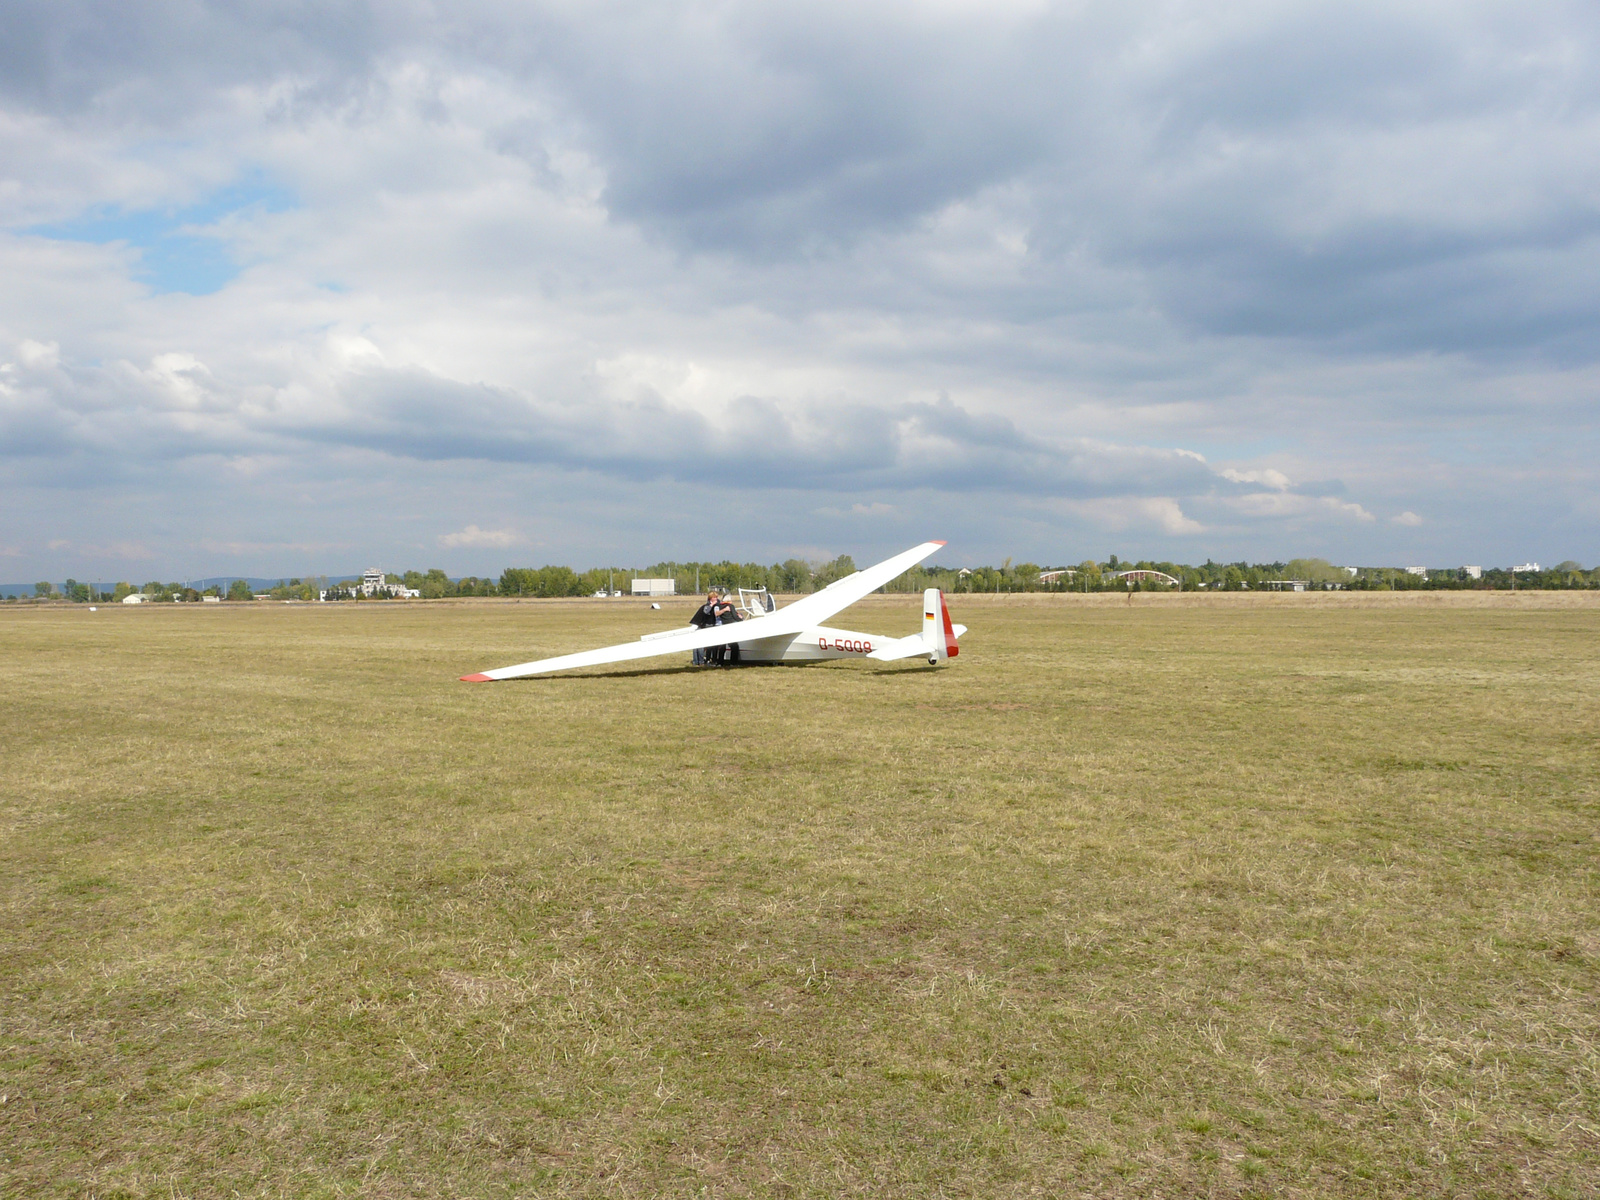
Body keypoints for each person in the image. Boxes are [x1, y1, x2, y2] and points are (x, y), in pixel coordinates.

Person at [689, 591, 723, 665]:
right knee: (699, 644)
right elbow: (706, 611)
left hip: (701, 625)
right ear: (710, 598)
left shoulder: (715, 605)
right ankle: (699, 661)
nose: (716, 599)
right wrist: (712, 604)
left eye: (717, 597)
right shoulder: (707, 606)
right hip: (700, 625)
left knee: (698, 644)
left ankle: (698, 661)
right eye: (714, 597)